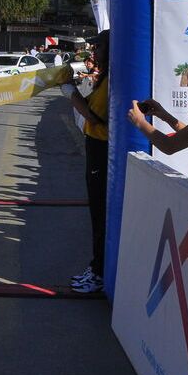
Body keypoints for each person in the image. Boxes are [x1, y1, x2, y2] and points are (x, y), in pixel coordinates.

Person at [67, 30, 109, 294]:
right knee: (97, 210)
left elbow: (93, 115)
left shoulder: (109, 80)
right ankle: (98, 267)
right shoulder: (104, 77)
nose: (94, 53)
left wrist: (70, 93)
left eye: (99, 47)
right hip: (95, 146)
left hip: (101, 149)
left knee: (100, 211)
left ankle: (98, 271)